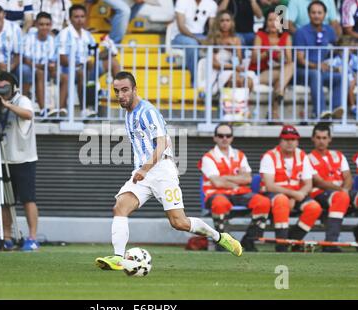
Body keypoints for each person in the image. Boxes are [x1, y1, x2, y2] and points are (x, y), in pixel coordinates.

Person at [95, 71, 242, 271]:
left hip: (161, 171)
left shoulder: (147, 111)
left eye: (125, 90)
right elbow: (165, 139)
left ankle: (220, 237)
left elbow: (162, 143)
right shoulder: (129, 115)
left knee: (179, 222)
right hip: (144, 172)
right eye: (117, 91)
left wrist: (146, 169)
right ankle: (118, 258)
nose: (121, 95)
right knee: (120, 207)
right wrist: (143, 169)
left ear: (135, 89)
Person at [197, 123, 271, 252]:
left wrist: (225, 177)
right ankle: (225, 243)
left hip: (239, 192)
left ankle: (249, 240)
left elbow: (248, 178)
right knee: (220, 203)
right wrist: (237, 179)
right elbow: (217, 183)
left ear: (232, 138)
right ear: (215, 138)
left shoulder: (240, 155)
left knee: (263, 202)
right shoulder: (208, 157)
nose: (224, 138)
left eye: (228, 135)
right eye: (220, 135)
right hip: (216, 194)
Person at [0, 71, 39, 251]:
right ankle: (7, 237)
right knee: (5, 201)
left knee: (28, 199)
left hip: (24, 158)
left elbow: (28, 114)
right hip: (3, 157)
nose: (3, 90)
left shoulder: (22, 100)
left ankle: (32, 237)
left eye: (6, 86)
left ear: (13, 87)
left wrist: (6, 105)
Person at [259, 125, 322, 252]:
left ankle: (293, 241)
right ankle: (281, 245)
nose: (290, 142)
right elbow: (270, 185)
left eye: (293, 139)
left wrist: (298, 195)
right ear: (280, 140)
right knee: (282, 200)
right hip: (274, 195)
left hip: (297, 194)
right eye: (286, 139)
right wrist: (293, 194)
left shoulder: (302, 155)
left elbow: (308, 184)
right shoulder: (270, 156)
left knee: (314, 208)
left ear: (297, 141)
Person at [58, 4, 120, 117]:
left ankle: (123, 99)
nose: (80, 19)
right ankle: (84, 109)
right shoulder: (64, 34)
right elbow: (62, 60)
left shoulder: (87, 35)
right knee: (83, 71)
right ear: (70, 18)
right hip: (68, 71)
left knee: (113, 62)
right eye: (76, 16)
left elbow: (94, 55)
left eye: (82, 16)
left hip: (87, 69)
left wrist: (108, 51)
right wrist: (81, 64)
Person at [308, 124, 357, 252]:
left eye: (324, 138)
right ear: (312, 138)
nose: (321, 141)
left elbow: (348, 177)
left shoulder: (338, 155)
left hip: (342, 192)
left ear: (330, 139)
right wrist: (342, 192)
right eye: (318, 137)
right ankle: (330, 244)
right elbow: (319, 182)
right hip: (320, 194)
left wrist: (345, 191)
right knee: (340, 198)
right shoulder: (307, 158)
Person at [294, 1, 344, 120]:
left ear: (325, 15)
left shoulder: (329, 30)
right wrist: (317, 66)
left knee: (340, 77)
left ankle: (336, 110)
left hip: (322, 71)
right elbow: (300, 60)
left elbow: (334, 51)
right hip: (302, 71)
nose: (316, 15)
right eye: (313, 12)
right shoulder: (301, 32)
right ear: (309, 14)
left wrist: (336, 64)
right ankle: (320, 112)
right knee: (316, 74)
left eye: (319, 13)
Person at [249, 9, 294, 123]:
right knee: (282, 79)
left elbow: (289, 60)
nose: (273, 23)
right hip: (261, 71)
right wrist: (268, 52)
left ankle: (274, 111)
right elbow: (254, 59)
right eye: (270, 20)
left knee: (290, 67)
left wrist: (281, 56)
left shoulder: (286, 36)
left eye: (277, 20)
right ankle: (278, 96)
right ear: (266, 22)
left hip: (280, 71)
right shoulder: (260, 35)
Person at [24, 12, 67, 118]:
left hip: (48, 70)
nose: (44, 27)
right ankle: (43, 109)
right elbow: (26, 60)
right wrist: (41, 66)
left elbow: (55, 60)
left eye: (47, 24)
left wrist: (53, 66)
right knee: (40, 73)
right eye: (41, 24)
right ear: (36, 25)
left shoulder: (53, 40)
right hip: (33, 70)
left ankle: (60, 109)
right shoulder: (29, 38)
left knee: (65, 78)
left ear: (51, 25)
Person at [204, 10, 255, 92]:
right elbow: (214, 64)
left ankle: (243, 103)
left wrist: (233, 49)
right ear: (218, 23)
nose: (225, 23)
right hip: (218, 72)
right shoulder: (213, 39)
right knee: (235, 79)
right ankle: (230, 103)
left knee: (248, 81)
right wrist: (233, 67)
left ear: (232, 23)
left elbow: (239, 61)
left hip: (234, 71)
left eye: (227, 20)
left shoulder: (236, 40)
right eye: (222, 21)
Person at [170, 0, 218, 87]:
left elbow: (212, 27)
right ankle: (195, 81)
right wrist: (198, 40)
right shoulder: (182, 1)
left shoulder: (211, 4)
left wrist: (210, 39)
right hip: (179, 36)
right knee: (192, 44)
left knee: (214, 46)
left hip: (200, 35)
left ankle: (212, 84)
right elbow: (181, 27)